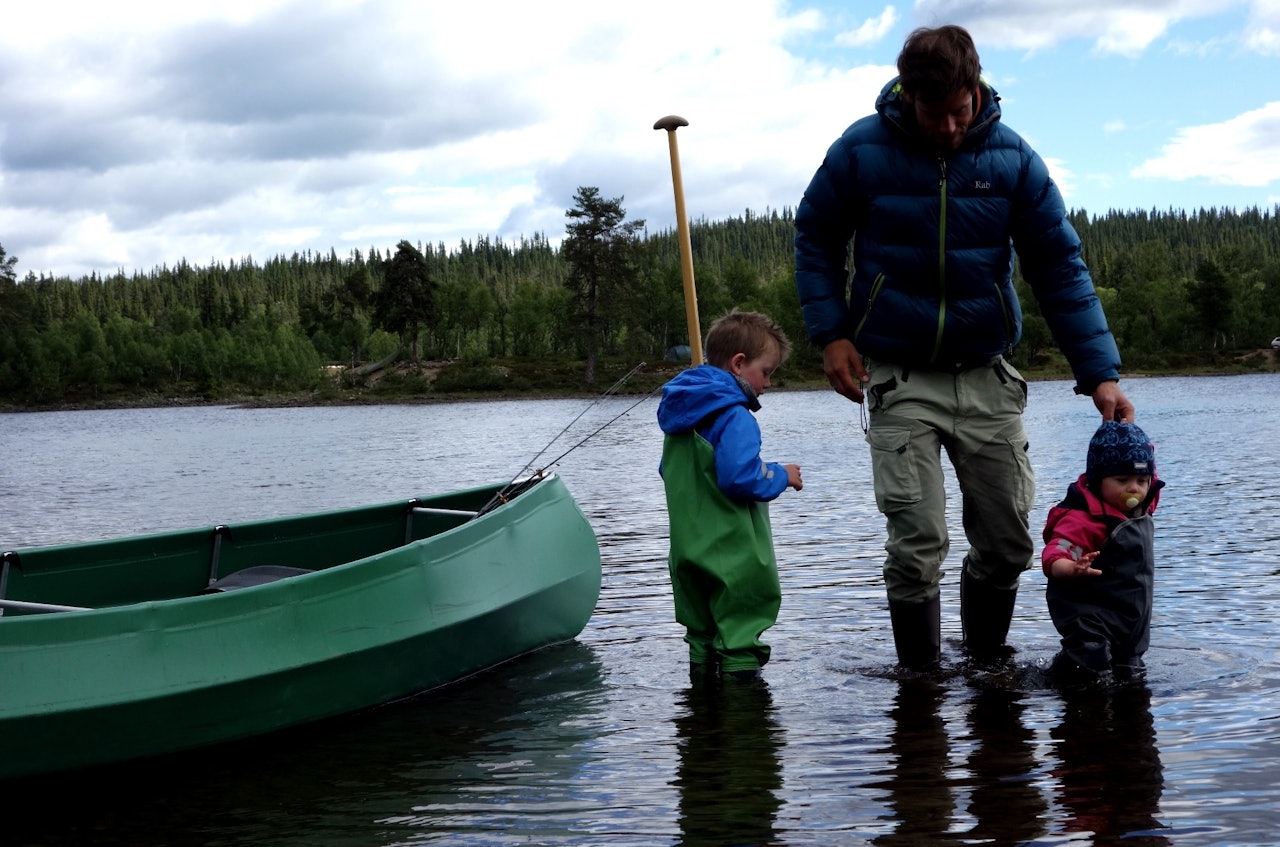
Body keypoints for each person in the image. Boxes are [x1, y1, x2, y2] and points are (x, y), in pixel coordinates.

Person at [793, 24, 1135, 670]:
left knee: (1008, 540)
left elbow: (1060, 267)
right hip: (899, 375)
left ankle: (985, 669)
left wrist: (1100, 373)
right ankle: (919, 683)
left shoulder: (1012, 160)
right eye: (933, 114)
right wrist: (831, 333)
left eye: (959, 110)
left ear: (976, 88)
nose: (949, 127)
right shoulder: (862, 152)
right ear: (909, 96)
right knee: (918, 538)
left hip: (986, 376)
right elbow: (814, 234)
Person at [657, 309, 803, 682]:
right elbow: (740, 477)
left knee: (701, 636)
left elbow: (678, 473)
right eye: (766, 371)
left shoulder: (679, 420)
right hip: (732, 556)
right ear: (739, 364)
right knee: (739, 637)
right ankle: (743, 728)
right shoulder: (736, 417)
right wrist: (781, 475)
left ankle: (702, 723)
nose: (768, 384)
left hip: (688, 553)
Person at [1043, 421, 1164, 682]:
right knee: (1088, 669)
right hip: (1089, 615)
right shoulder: (1083, 518)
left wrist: (1130, 428)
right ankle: (1059, 682)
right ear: (1098, 480)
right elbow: (1056, 552)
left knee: (1131, 673)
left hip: (1129, 617)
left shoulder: (1143, 506)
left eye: (1142, 481)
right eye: (1122, 480)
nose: (1134, 489)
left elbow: (1146, 461)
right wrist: (1070, 568)